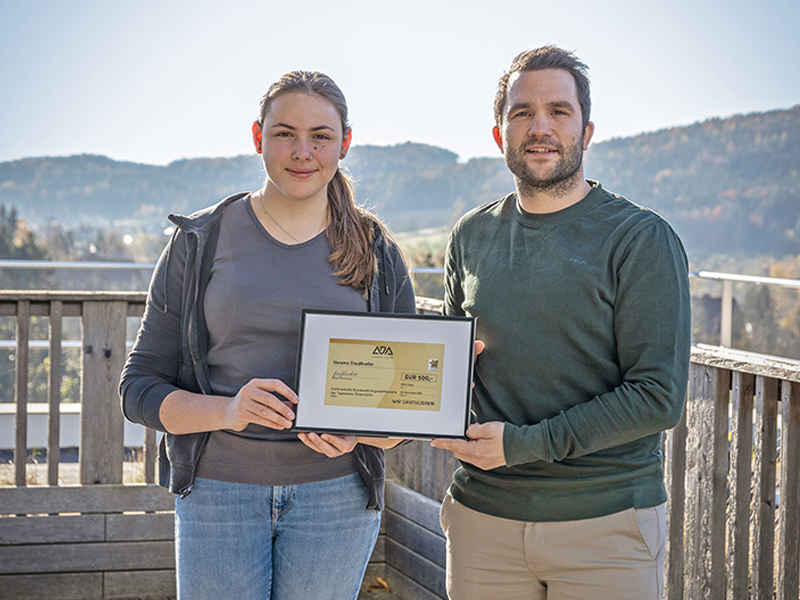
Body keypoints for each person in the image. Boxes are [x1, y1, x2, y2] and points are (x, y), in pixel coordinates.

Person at [120, 70, 415, 600]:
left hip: (337, 500)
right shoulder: (200, 241)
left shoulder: (377, 250)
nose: (303, 152)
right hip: (218, 494)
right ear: (258, 137)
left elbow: (403, 417)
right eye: (284, 134)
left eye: (320, 136)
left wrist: (358, 433)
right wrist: (230, 410)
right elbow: (138, 389)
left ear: (345, 143)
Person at [430, 46, 691, 600]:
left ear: (586, 132)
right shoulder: (470, 236)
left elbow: (657, 396)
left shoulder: (640, 239)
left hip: (605, 524)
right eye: (522, 112)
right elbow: (446, 375)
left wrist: (525, 445)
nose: (540, 127)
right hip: (483, 520)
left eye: (558, 111)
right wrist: (371, 417)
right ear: (500, 135)